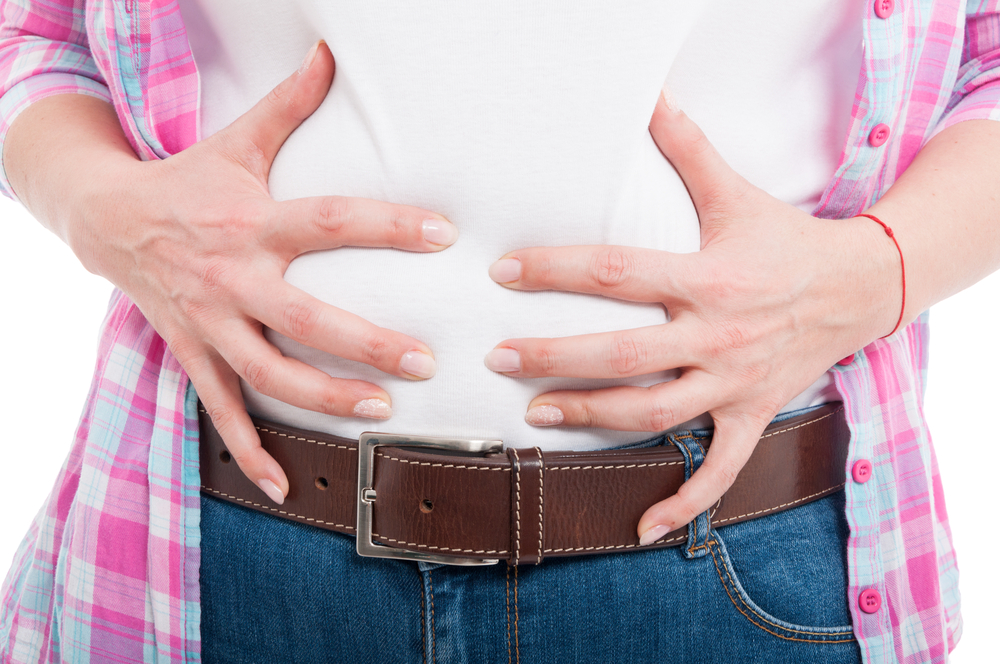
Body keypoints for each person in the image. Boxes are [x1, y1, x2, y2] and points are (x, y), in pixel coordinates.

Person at [1, 0, 999, 662]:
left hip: (736, 564)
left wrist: (877, 274)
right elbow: (30, 26)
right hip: (225, 552)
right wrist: (102, 210)